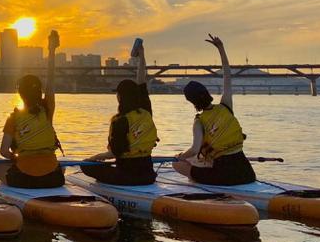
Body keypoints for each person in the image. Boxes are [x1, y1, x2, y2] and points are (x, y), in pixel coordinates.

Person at [173, 34, 256, 185]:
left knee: (177, 164)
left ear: (191, 102)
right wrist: (221, 48)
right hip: (247, 173)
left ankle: (197, 181)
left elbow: (194, 149)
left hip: (223, 176)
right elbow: (227, 77)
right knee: (201, 157)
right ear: (207, 93)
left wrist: (180, 157)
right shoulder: (226, 106)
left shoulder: (199, 121)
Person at [0, 30, 65, 188]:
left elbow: (3, 152)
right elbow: (51, 81)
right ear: (40, 92)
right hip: (54, 178)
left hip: (24, 179)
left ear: (21, 93)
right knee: (61, 165)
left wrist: (16, 158)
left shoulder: (13, 118)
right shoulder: (47, 109)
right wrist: (51, 50)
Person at [82, 39, 158, 185]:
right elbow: (142, 82)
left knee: (85, 166)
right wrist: (142, 55)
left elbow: (113, 154)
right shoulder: (145, 111)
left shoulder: (120, 121)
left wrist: (93, 158)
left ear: (120, 97)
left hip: (126, 177)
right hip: (149, 175)